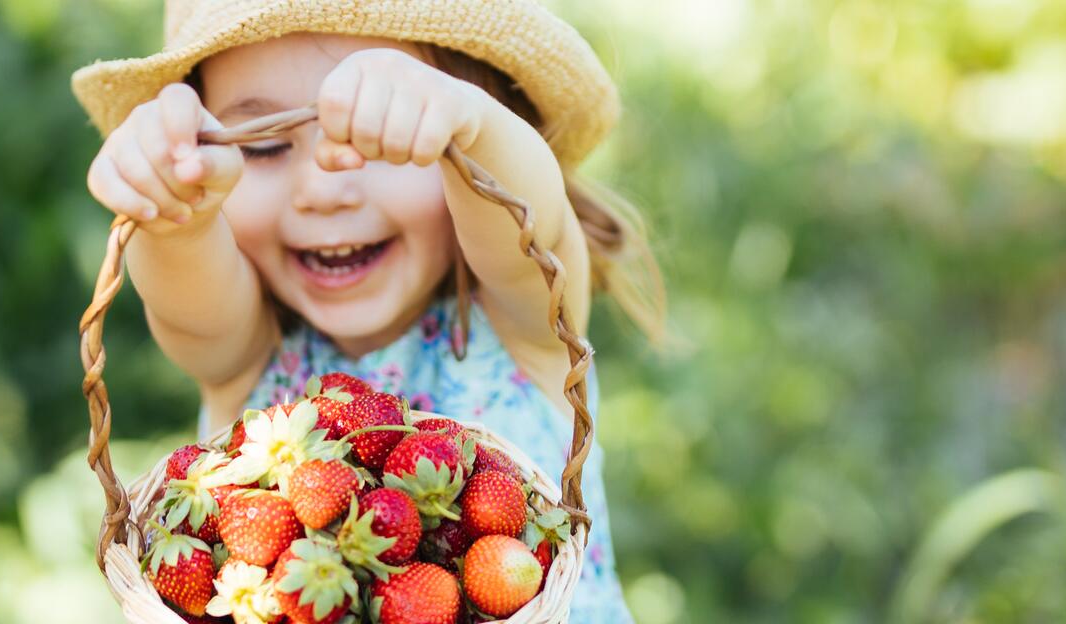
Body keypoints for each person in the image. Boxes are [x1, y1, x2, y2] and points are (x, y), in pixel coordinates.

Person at [74, 1, 664, 621]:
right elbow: (193, 308)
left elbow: (531, 240)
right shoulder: (246, 361)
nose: (323, 191)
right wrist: (176, 216)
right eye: (264, 145)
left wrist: (474, 125)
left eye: (384, 141)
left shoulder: (525, 329)